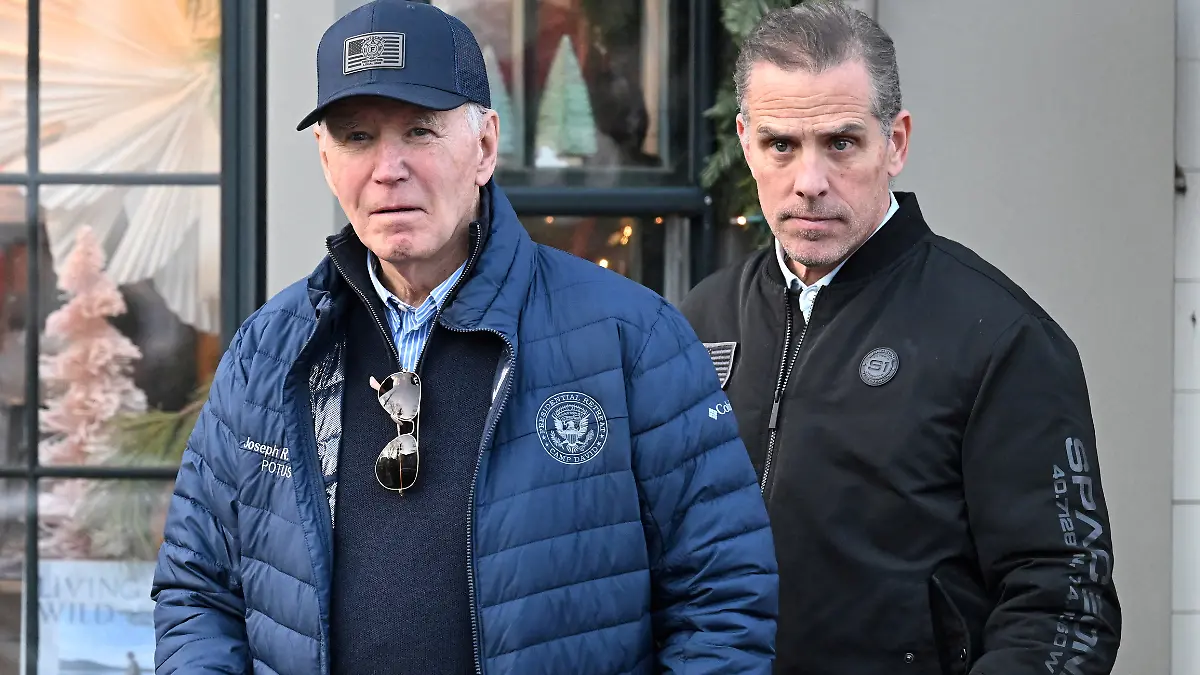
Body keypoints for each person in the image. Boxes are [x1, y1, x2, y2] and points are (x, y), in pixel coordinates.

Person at [149, 1, 778, 674]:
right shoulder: (269, 353)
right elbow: (198, 588)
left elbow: (722, 597)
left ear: (484, 147)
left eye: (419, 131)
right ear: (327, 161)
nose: (388, 168)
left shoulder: (634, 339)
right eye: (358, 137)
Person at [679, 2, 1121, 674]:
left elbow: (1065, 603)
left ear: (897, 142)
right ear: (745, 142)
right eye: (781, 145)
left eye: (841, 143)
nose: (809, 182)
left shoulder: (1002, 337)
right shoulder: (702, 320)